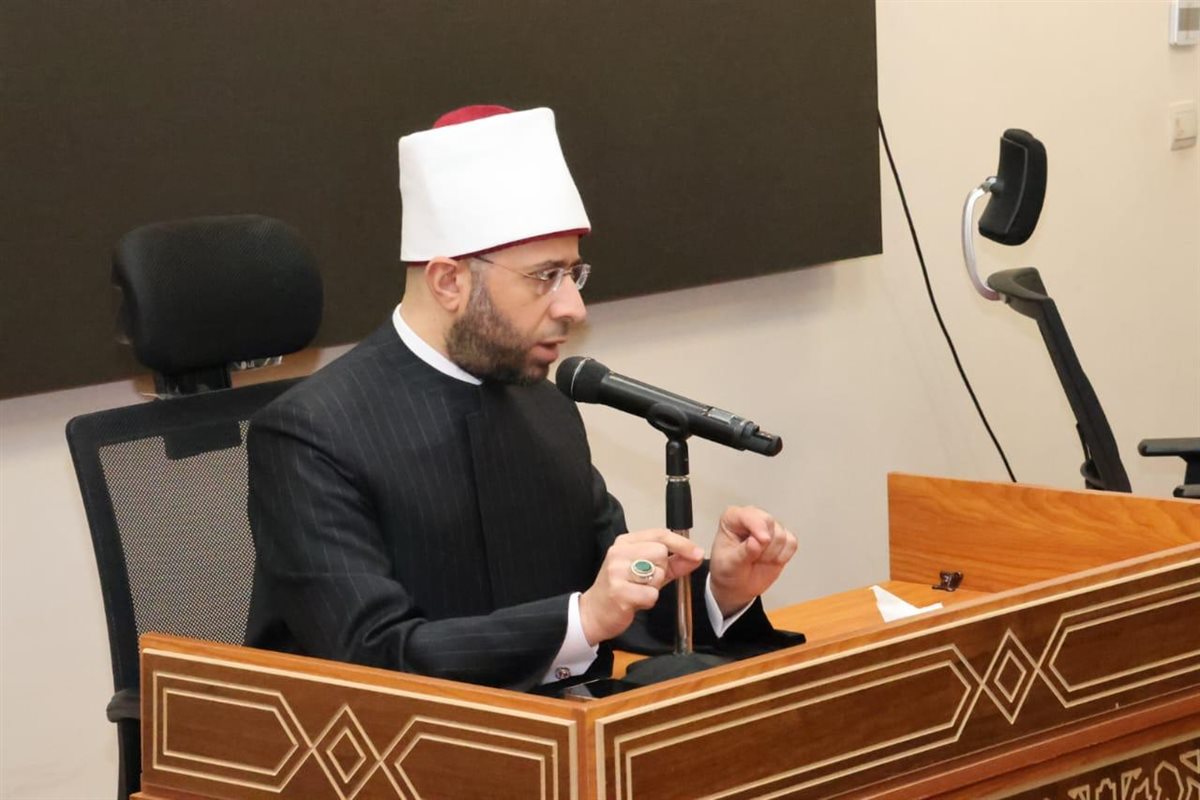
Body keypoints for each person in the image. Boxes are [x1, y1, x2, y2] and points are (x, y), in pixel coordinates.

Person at [244, 105, 799, 692]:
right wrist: (583, 618)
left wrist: (719, 591)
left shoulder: (544, 404)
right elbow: (370, 656)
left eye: (574, 274)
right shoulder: (311, 434)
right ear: (449, 282)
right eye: (545, 276)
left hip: (565, 732)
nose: (573, 307)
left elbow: (612, 595)